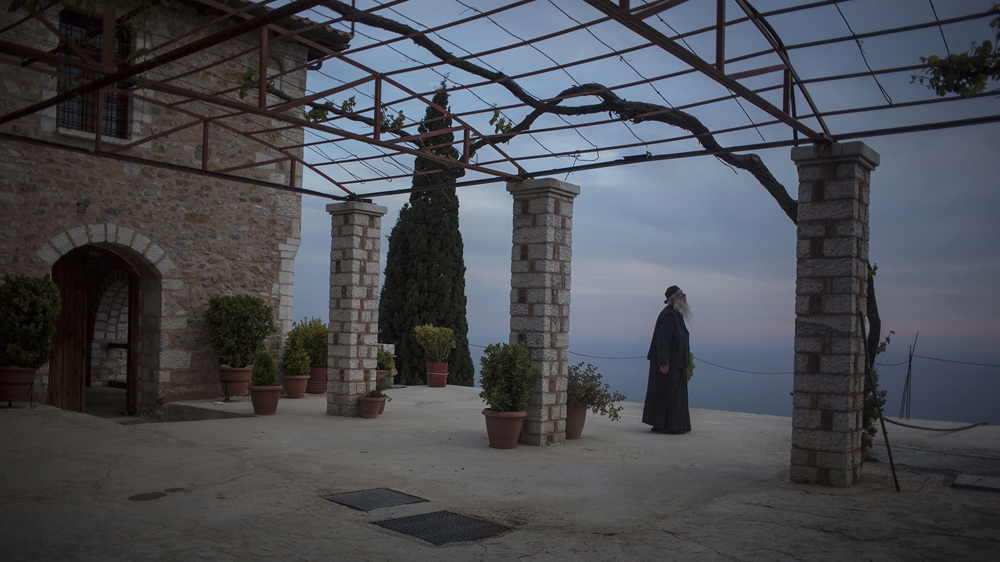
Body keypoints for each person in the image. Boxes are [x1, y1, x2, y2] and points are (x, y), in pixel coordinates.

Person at [642, 285, 692, 434]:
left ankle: (668, 424)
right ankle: (669, 426)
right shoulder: (668, 316)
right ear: (672, 298)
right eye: (680, 294)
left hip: (676, 363)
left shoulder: (677, 314)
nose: (684, 296)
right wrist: (664, 362)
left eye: (683, 293)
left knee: (670, 395)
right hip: (668, 364)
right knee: (668, 395)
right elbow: (662, 341)